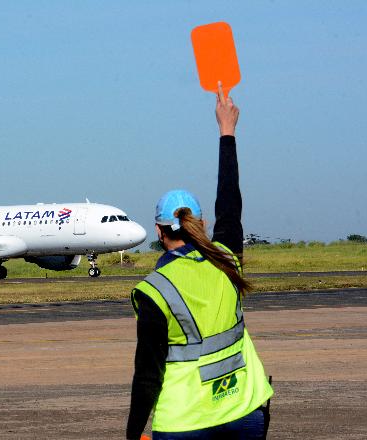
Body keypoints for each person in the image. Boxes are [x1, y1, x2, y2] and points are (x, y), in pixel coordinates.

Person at [126, 84, 273, 440]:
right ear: (202, 224)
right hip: (244, 411)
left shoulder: (153, 291)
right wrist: (227, 131)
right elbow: (230, 202)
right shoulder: (226, 261)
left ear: (159, 232)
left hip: (184, 422)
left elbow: (148, 374)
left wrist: (133, 433)